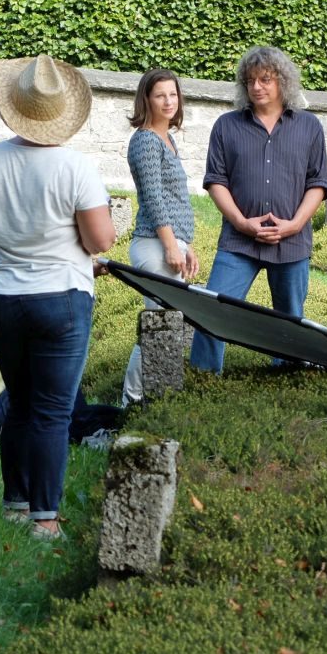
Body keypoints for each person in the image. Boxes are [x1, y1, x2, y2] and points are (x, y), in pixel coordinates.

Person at [0, 54, 116, 540]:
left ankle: (16, 502)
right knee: (52, 409)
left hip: (1, 299)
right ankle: (45, 519)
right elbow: (101, 241)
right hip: (61, 298)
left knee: (21, 402)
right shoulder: (75, 168)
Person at [189, 46, 327, 374]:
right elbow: (215, 180)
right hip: (239, 243)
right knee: (212, 311)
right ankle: (202, 382)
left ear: (283, 82)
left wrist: (295, 225)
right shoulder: (226, 126)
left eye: (265, 79)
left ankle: (284, 381)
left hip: (292, 243)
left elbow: (318, 183)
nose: (257, 87)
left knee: (290, 321)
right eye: (250, 80)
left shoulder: (309, 127)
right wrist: (241, 222)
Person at [121, 69, 198, 405]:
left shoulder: (167, 138)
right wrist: (171, 245)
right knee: (161, 328)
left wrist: (186, 244)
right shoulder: (145, 140)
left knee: (171, 328)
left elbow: (173, 199)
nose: (168, 101)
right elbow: (153, 198)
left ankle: (159, 403)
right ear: (146, 100)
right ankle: (132, 402)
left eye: (173, 94)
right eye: (160, 95)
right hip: (154, 246)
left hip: (169, 243)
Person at [0, 328, 122, 447]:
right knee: (51, 366)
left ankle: (117, 421)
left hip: (8, 408)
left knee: (97, 413)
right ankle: (91, 433)